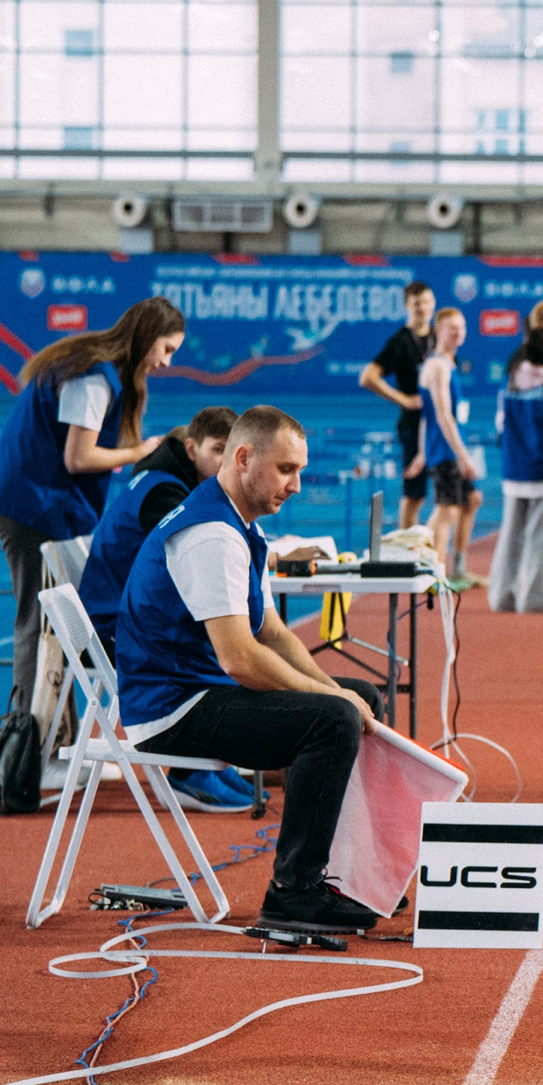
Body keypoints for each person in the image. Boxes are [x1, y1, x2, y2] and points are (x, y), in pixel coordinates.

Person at [116, 408, 384, 933]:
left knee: (361, 699)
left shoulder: (239, 525)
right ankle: (294, 891)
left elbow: (274, 634)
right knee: (332, 721)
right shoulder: (211, 535)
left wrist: (335, 690)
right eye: (286, 469)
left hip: (197, 688)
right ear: (244, 459)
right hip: (173, 708)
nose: (298, 485)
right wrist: (331, 702)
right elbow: (239, 658)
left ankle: (343, 874)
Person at [0, 295, 184, 715]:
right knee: (38, 624)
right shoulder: (92, 377)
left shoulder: (99, 372)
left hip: (42, 503)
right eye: (166, 350)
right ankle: (24, 736)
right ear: (146, 338)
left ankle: (54, 734)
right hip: (30, 505)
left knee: (57, 626)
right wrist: (139, 451)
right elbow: (79, 457)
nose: (165, 363)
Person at [70, 404, 260, 813]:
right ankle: (190, 770)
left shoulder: (170, 481)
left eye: (231, 453)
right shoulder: (164, 491)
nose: (224, 462)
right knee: (217, 635)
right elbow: (188, 565)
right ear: (190, 449)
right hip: (112, 628)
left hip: (123, 613)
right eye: (217, 450)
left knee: (219, 626)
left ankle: (210, 759)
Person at [489, 314, 543, 614]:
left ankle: (502, 597)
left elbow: (500, 422)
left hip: (514, 468)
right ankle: (536, 600)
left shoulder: (510, 380)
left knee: (510, 536)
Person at [360, 281, 437, 528]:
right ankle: (405, 553)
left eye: (426, 302)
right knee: (414, 495)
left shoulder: (438, 337)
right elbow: (367, 377)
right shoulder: (400, 342)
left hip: (439, 424)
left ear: (433, 303)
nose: (422, 308)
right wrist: (403, 399)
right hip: (413, 425)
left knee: (450, 496)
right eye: (416, 304)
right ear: (407, 306)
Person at [415, 307, 481, 589]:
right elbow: (441, 415)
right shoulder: (438, 366)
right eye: (451, 328)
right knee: (446, 510)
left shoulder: (448, 364)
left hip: (449, 446)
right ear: (438, 330)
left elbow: (425, 416)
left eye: (462, 328)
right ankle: (434, 572)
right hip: (446, 450)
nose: (458, 333)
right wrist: (463, 456)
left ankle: (458, 568)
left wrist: (420, 453)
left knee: (471, 500)